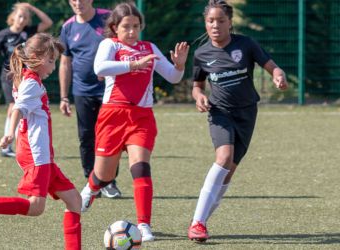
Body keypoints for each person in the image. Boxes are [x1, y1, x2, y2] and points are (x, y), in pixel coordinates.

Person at [0, 33, 82, 250]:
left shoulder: (29, 77)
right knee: (36, 207)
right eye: (51, 61)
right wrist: (9, 133)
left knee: (75, 201)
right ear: (37, 58)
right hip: (36, 154)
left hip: (42, 155)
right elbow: (17, 110)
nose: (53, 66)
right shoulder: (31, 83)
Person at [79, 2, 189, 242]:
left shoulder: (149, 47)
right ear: (115, 27)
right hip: (113, 116)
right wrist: (133, 64)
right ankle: (92, 188)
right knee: (104, 174)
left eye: (136, 26)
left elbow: (172, 77)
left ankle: (144, 224)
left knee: (140, 167)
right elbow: (100, 67)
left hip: (141, 117)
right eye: (126, 27)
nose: (131, 31)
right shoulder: (109, 44)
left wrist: (179, 65)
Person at [187, 0, 288, 242]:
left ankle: (202, 223)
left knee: (228, 171)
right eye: (211, 21)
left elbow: (272, 67)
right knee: (223, 158)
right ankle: (197, 223)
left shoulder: (246, 44)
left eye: (221, 21)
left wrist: (279, 75)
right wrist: (200, 96)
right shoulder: (201, 53)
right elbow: (197, 86)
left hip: (247, 113)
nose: (215, 25)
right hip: (219, 112)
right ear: (205, 23)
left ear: (230, 23)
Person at [59, 0, 121, 198]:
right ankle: (92, 180)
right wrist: (64, 96)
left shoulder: (107, 18)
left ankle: (109, 181)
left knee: (110, 136)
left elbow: (122, 47)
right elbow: (65, 63)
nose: (78, 3)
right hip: (82, 91)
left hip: (110, 89)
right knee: (86, 136)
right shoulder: (67, 27)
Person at [0, 2, 53, 157]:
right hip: (9, 76)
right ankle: (7, 145)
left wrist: (32, 8)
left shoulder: (28, 33)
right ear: (13, 17)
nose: (22, 20)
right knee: (14, 106)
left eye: (25, 17)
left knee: (25, 108)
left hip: (25, 76)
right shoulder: (4, 34)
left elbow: (48, 23)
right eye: (20, 16)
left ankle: (22, 144)